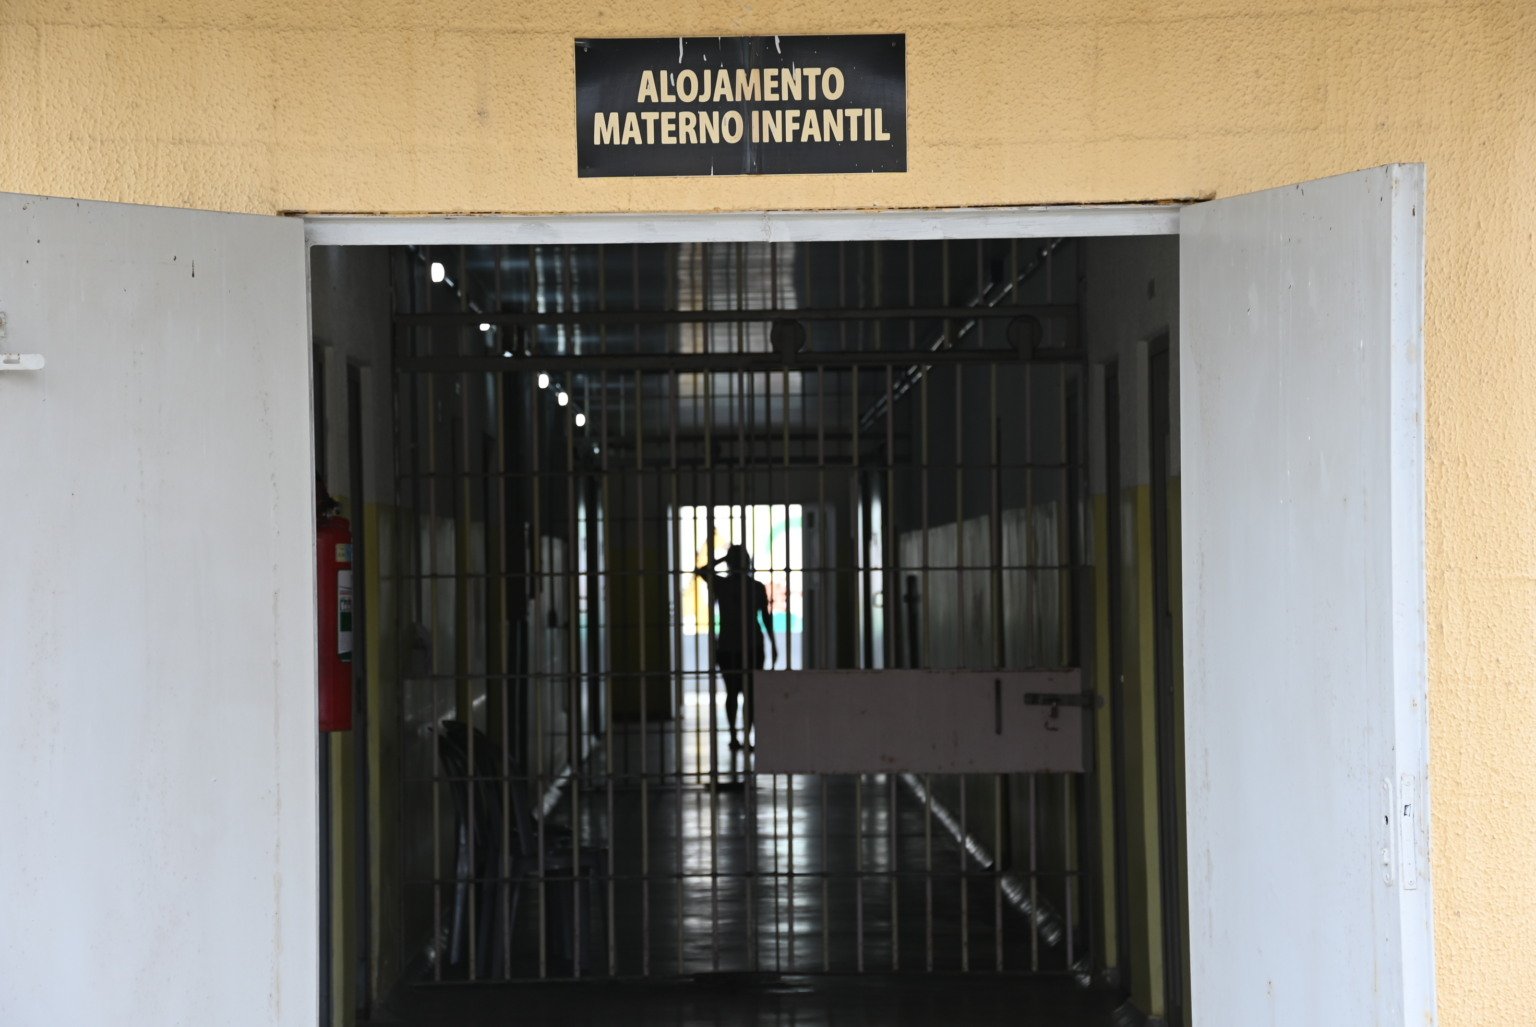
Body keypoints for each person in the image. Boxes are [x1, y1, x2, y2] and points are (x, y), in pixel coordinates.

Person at [694, 544, 777, 750]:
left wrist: (724, 559)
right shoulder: (755, 587)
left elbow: (701, 571)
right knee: (750, 695)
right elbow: (766, 618)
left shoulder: (722, 584)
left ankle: (734, 737)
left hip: (728, 647)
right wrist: (773, 644)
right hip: (752, 646)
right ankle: (747, 738)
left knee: (732, 693)